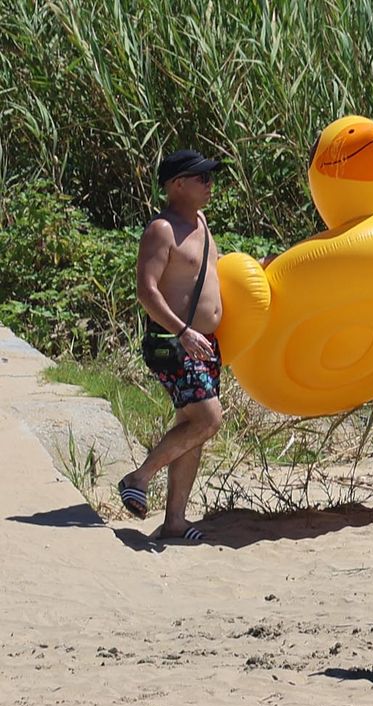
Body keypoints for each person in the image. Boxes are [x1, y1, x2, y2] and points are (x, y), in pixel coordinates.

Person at [119, 149, 226, 542]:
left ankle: (175, 521)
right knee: (208, 419)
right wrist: (183, 330)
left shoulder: (203, 224)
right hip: (174, 343)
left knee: (192, 427)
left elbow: (215, 274)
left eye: (211, 177)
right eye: (202, 178)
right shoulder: (161, 229)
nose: (210, 184)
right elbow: (146, 292)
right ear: (177, 184)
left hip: (206, 345)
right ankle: (138, 477)